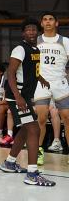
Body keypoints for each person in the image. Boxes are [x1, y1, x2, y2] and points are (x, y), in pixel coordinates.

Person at [0, 19, 55, 185]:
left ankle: (9, 163)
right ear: (23, 33)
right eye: (28, 30)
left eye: (33, 29)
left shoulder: (35, 49)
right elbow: (10, 73)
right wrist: (18, 97)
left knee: (25, 130)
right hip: (18, 97)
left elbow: (32, 70)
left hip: (24, 96)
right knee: (34, 130)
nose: (31, 32)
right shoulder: (20, 49)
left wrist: (41, 79)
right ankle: (32, 174)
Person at [37, 12, 69, 159]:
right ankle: (38, 152)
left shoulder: (65, 41)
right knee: (41, 119)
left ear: (57, 23)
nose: (48, 22)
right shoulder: (35, 41)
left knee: (67, 118)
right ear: (41, 23)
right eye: (45, 19)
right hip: (41, 84)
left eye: (51, 19)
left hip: (60, 84)